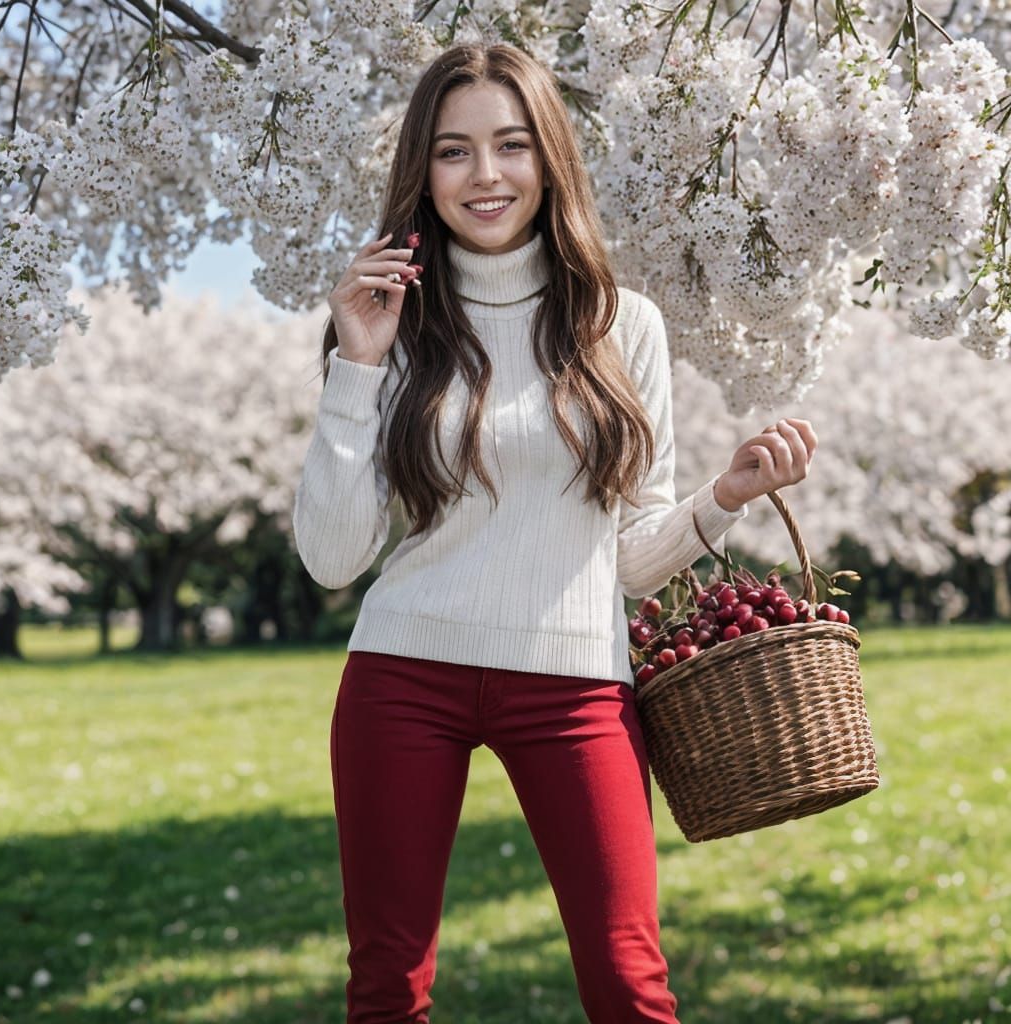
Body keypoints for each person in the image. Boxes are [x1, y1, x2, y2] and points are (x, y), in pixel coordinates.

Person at [292, 41, 817, 1024]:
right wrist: (356, 366)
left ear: (549, 158)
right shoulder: (386, 324)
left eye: (510, 145)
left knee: (628, 982)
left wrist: (724, 497)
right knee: (385, 987)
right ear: (423, 169)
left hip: (577, 682)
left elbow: (625, 559)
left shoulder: (626, 325)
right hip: (403, 672)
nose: (485, 176)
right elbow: (331, 556)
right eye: (453, 152)